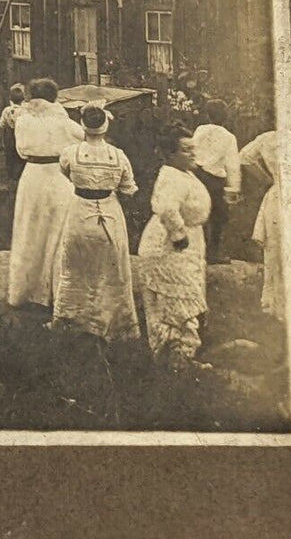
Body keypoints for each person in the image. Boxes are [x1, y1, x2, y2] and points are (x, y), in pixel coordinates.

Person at [52, 103, 141, 342]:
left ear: (83, 126)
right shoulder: (118, 155)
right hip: (110, 214)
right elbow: (129, 189)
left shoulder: (71, 152)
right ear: (105, 126)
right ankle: (112, 323)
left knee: (75, 267)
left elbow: (64, 174)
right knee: (112, 269)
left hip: (80, 212)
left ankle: (73, 319)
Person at [136, 125, 213, 362]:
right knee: (177, 300)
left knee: (183, 297)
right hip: (170, 244)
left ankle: (179, 358)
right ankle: (177, 358)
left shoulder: (183, 174)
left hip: (184, 240)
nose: (192, 154)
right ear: (170, 155)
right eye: (185, 150)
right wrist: (179, 235)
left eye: (193, 149)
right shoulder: (172, 176)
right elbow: (168, 209)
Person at [8, 77, 85, 309]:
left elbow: (21, 152)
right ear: (54, 96)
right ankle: (54, 290)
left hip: (32, 175)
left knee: (29, 230)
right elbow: (83, 137)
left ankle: (26, 289)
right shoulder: (63, 120)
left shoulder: (23, 120)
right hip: (57, 175)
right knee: (58, 230)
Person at [240, 129, 284, 320]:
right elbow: (243, 158)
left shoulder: (268, 138)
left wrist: (268, 180)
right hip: (280, 195)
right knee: (277, 251)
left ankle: (273, 306)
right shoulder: (271, 138)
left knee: (275, 253)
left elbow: (244, 158)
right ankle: (276, 307)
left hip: (276, 195)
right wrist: (268, 180)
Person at [192, 99, 242, 264]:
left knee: (200, 213)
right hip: (214, 179)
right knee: (218, 216)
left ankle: (200, 250)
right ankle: (212, 253)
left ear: (207, 115)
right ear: (226, 117)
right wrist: (234, 187)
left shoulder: (200, 130)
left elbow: (193, 149)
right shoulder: (229, 137)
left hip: (197, 174)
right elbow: (233, 165)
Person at [0, 83, 27, 181]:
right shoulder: (25, 111)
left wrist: (0, 141)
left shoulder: (7, 110)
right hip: (22, 135)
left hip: (10, 135)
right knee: (21, 156)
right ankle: (19, 176)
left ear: (10, 99)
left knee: (10, 156)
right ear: (24, 99)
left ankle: (11, 176)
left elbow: (1, 125)